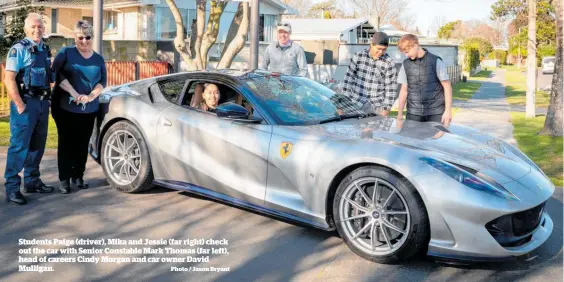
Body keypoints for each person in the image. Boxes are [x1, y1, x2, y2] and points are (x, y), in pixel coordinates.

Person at [4, 13, 55, 205]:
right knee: (19, 147)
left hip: (42, 104)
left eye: (40, 26)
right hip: (25, 104)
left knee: (37, 146)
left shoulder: (45, 49)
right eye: (33, 27)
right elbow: (9, 79)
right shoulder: (19, 49)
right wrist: (19, 104)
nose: (37, 29)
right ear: (26, 29)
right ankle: (12, 189)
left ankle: (32, 182)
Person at [51, 20, 107, 194]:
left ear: (92, 37)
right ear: (74, 37)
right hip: (65, 108)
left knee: (82, 144)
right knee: (66, 143)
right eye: (80, 37)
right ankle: (64, 180)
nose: (84, 41)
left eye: (87, 37)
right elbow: (56, 73)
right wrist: (74, 93)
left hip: (89, 109)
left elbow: (102, 82)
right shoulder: (66, 53)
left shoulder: (98, 59)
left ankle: (78, 176)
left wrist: (90, 96)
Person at [395, 34, 453, 127]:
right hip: (413, 113)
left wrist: (448, 110)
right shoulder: (405, 64)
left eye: (407, 51)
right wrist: (399, 115)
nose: (406, 55)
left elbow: (447, 87)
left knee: (435, 141)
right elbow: (403, 91)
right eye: (404, 53)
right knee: (410, 141)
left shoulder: (436, 61)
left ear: (415, 45)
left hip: (436, 113)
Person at [342, 31, 398, 116]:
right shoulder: (358, 57)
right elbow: (348, 80)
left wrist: (386, 110)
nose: (380, 52)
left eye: (384, 49)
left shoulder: (389, 63)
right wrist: (343, 104)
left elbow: (391, 88)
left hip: (377, 107)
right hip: (356, 103)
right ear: (372, 44)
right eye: (378, 49)